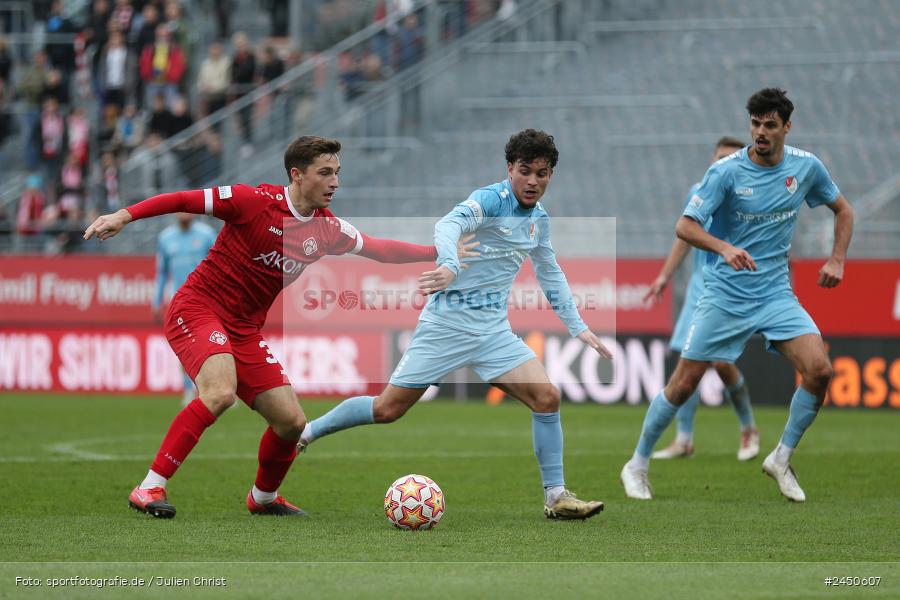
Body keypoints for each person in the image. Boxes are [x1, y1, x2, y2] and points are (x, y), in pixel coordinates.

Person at [84, 136, 472, 519]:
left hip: (244, 330)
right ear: (297, 175)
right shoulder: (251, 201)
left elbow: (380, 249)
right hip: (199, 308)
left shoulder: (328, 230)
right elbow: (183, 200)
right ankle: (150, 486)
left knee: (291, 422)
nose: (335, 182)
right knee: (219, 392)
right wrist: (124, 215)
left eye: (337, 172)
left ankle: (264, 497)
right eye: (325, 173)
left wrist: (439, 252)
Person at [298, 129, 612, 520]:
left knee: (547, 397)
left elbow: (550, 272)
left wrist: (577, 326)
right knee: (387, 409)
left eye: (542, 173)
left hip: (493, 333)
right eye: (525, 171)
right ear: (510, 169)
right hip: (445, 326)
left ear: (551, 175)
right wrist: (449, 264)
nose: (533, 181)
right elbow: (448, 225)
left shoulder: (539, 220)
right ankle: (307, 431)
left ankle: (556, 496)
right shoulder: (491, 200)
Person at [621, 89, 854, 502]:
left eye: (769, 125)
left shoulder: (806, 167)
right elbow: (685, 226)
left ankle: (781, 458)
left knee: (819, 371)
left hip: (775, 295)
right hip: (725, 295)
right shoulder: (725, 172)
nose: (760, 132)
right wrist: (724, 248)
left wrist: (837, 259)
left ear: (786, 127)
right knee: (683, 383)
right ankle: (637, 464)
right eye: (755, 124)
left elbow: (844, 210)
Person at [643, 137, 759, 461]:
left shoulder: (752, 197)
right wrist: (664, 276)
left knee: (720, 362)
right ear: (712, 160)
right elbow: (685, 236)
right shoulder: (699, 190)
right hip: (699, 288)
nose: (722, 164)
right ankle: (684, 440)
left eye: (730, 158)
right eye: (719, 158)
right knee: (687, 358)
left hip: (731, 288)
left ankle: (749, 427)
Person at [152, 212, 217, 405]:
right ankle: (189, 390)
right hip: (181, 302)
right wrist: (156, 301)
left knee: (215, 343)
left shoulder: (207, 234)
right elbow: (162, 272)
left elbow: (219, 265)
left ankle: (220, 387)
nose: (184, 213)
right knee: (186, 348)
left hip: (207, 299)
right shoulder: (165, 238)